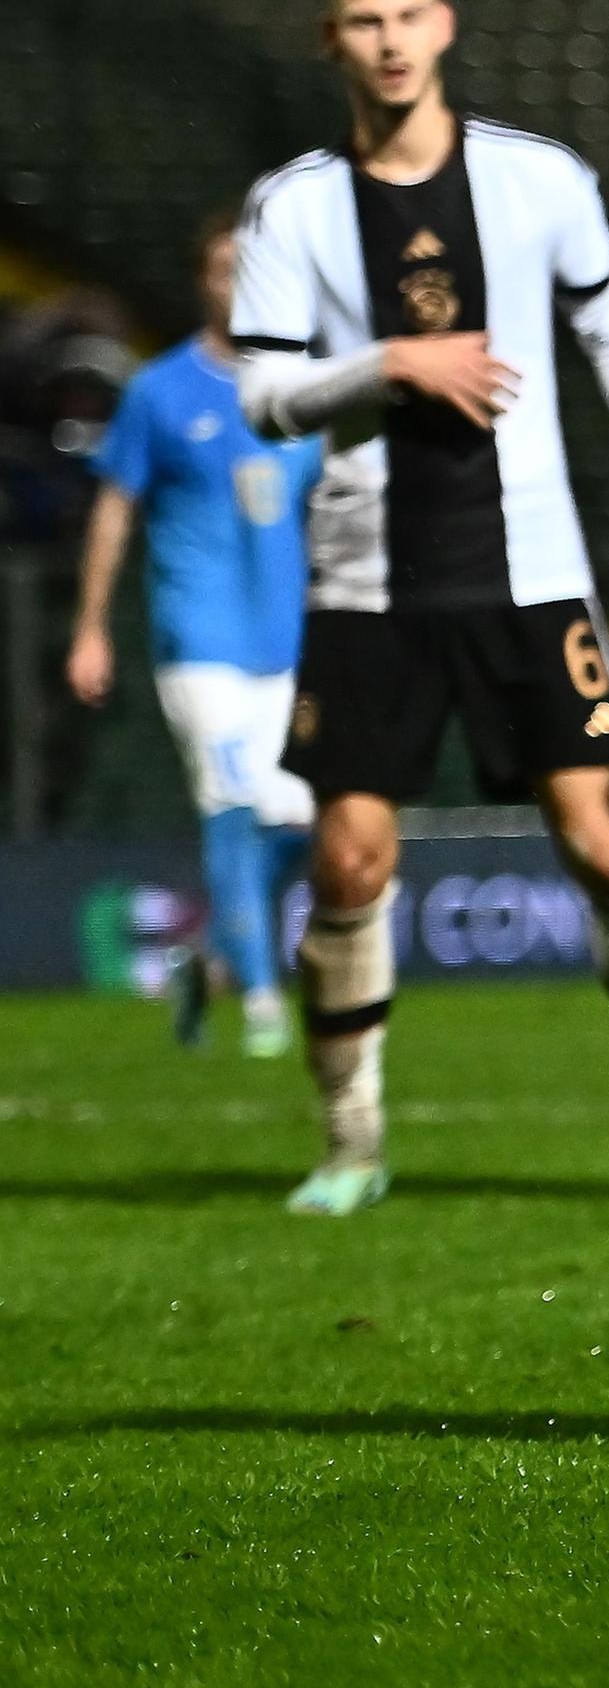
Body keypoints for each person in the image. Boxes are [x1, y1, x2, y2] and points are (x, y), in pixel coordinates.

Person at [230, 0, 609, 1215]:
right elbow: (259, 394)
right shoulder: (295, 208)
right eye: (366, 21)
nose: (391, 40)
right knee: (351, 864)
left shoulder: (535, 180)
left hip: (529, 573)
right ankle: (351, 1141)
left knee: (599, 844)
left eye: (411, 15)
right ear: (334, 41)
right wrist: (392, 367)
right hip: (368, 583)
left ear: (446, 24)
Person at [67, 216, 326, 1059]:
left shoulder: (298, 392)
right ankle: (260, 1002)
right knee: (233, 808)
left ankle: (210, 962)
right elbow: (115, 506)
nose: (237, 282)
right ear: (201, 281)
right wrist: (91, 628)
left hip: (285, 643)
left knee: (299, 826)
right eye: (223, 267)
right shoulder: (162, 390)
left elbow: (338, 500)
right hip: (199, 641)